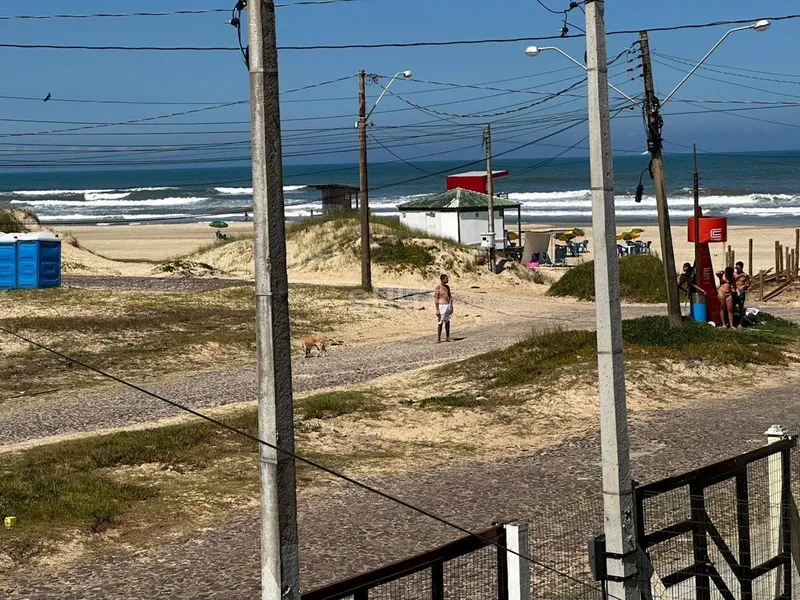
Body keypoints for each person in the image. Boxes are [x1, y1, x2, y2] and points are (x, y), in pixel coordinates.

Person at [434, 273, 454, 343]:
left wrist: (451, 306)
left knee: (447, 321)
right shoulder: (438, 287)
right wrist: (437, 309)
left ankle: (447, 337)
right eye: (446, 278)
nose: (447, 280)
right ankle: (438, 338)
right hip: (441, 305)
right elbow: (436, 298)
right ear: (442, 280)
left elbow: (450, 297)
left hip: (447, 304)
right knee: (440, 322)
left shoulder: (447, 287)